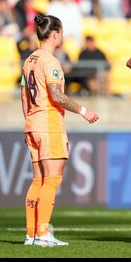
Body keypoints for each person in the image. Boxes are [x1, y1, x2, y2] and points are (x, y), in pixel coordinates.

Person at [21, 15, 99, 246]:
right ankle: (43, 233)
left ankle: (31, 234)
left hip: (32, 122)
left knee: (38, 180)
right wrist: (84, 110)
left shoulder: (28, 61)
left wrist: (29, 123)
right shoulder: (50, 61)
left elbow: (24, 99)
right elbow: (56, 95)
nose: (62, 37)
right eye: (62, 33)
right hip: (49, 123)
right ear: (55, 34)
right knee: (52, 180)